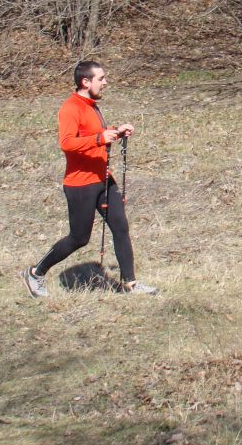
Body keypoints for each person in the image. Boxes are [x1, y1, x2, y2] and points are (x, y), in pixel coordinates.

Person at [21, 61, 158, 298]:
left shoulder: (92, 106)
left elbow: (93, 135)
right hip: (80, 184)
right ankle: (35, 272)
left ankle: (130, 284)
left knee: (120, 227)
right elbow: (67, 143)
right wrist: (100, 138)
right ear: (86, 82)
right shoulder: (71, 108)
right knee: (79, 238)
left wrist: (116, 130)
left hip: (103, 178)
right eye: (101, 78)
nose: (105, 82)